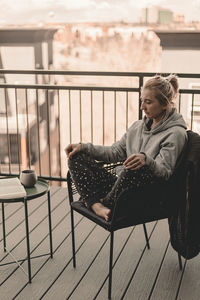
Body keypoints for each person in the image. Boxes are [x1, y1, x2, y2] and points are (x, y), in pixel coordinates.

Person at [65, 74, 188, 221]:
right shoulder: (137, 126)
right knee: (76, 157)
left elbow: (165, 173)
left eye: (148, 102)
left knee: (136, 168)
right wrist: (84, 147)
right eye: (142, 101)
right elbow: (114, 152)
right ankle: (98, 205)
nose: (142, 107)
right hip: (120, 188)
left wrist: (146, 160)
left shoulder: (176, 133)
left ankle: (97, 202)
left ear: (165, 104)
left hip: (145, 195)